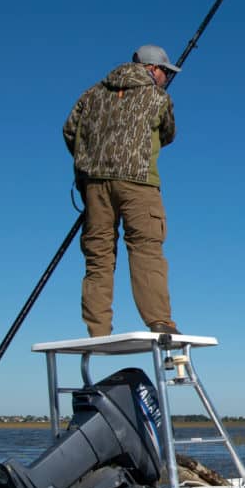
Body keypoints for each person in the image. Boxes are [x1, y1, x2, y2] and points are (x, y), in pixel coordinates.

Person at [63, 44, 182, 337]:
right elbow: (168, 133)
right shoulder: (157, 96)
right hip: (139, 181)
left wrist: (92, 161)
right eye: (165, 72)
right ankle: (159, 321)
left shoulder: (90, 94)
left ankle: (98, 329)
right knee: (146, 249)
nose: (165, 78)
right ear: (152, 69)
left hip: (94, 185)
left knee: (98, 256)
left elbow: (70, 131)